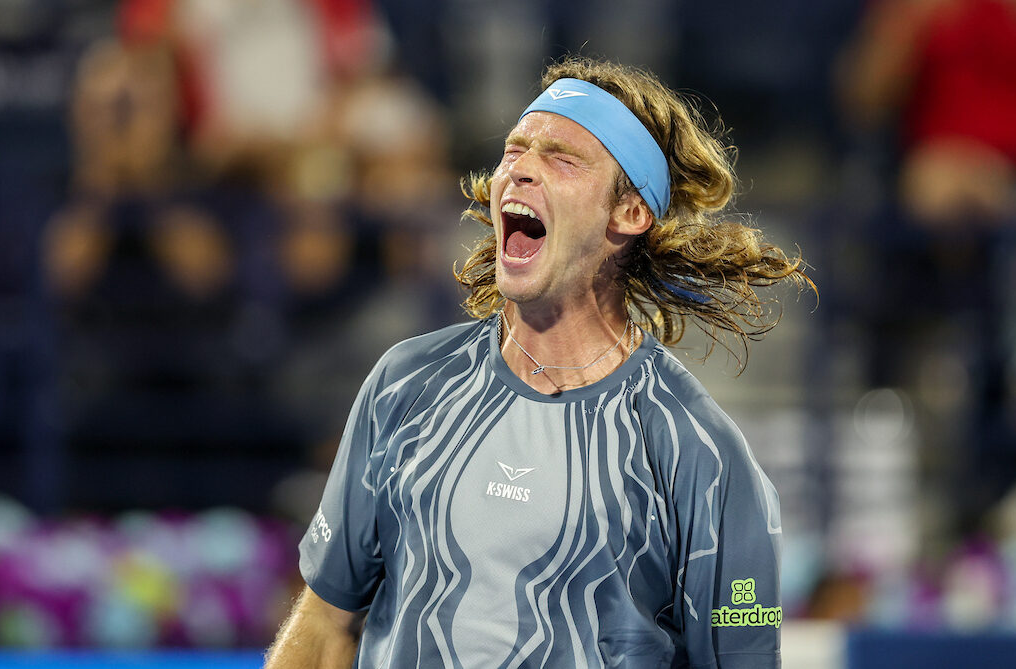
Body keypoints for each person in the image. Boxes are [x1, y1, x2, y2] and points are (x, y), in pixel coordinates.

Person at [264, 56, 810, 668]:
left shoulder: (700, 452)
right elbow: (324, 625)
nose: (520, 171)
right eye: (514, 151)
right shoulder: (404, 384)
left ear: (629, 213)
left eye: (561, 158)